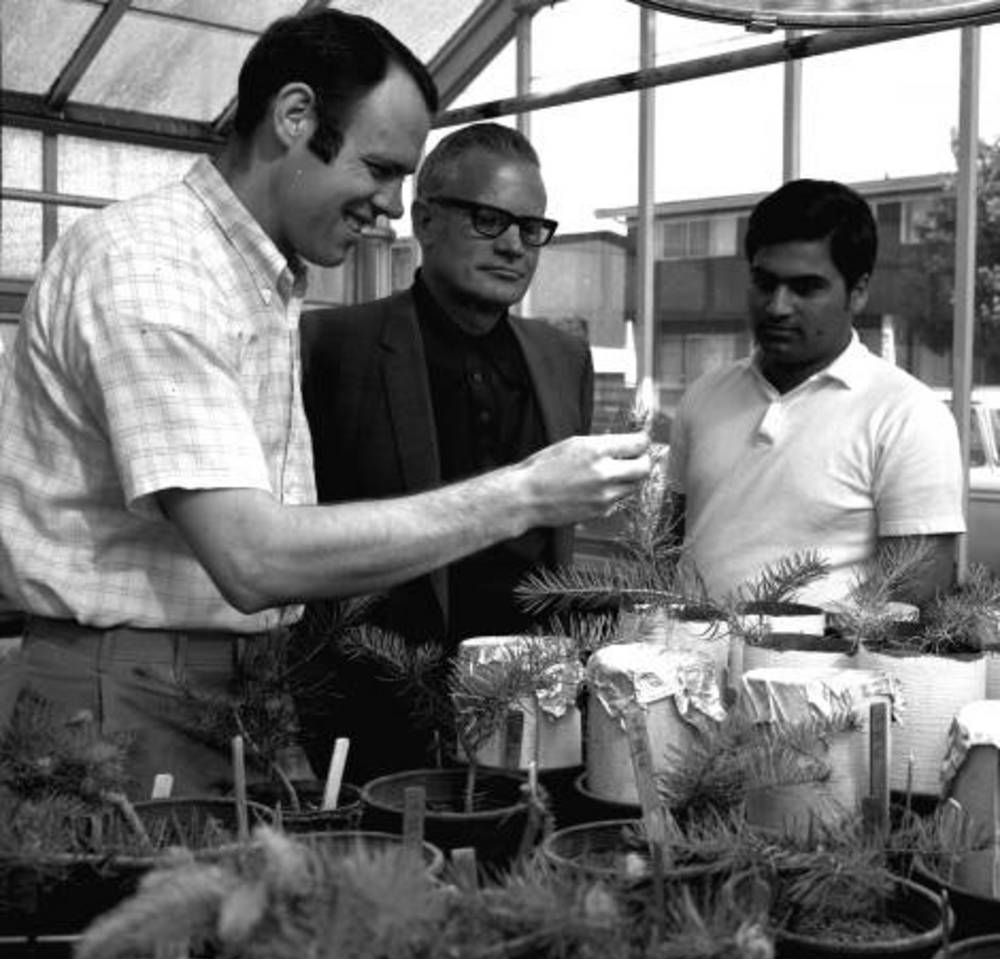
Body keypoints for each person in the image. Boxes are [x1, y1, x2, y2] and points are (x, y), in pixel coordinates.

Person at [0, 10, 650, 797]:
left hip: (235, 687)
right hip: (129, 696)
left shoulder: (258, 282)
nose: (390, 205)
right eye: (379, 168)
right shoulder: (152, 266)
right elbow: (252, 558)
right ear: (295, 115)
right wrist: (526, 493)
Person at [298, 123, 592, 781]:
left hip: (531, 699)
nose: (515, 244)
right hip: (376, 698)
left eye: (532, 226)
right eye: (490, 220)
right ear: (424, 221)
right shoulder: (330, 346)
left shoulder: (563, 356)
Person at [665, 178, 964, 609]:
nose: (777, 306)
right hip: (687, 667)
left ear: (858, 291)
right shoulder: (705, 396)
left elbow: (916, 605)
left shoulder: (906, 415)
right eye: (765, 283)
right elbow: (662, 548)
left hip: (826, 672)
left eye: (805, 288)